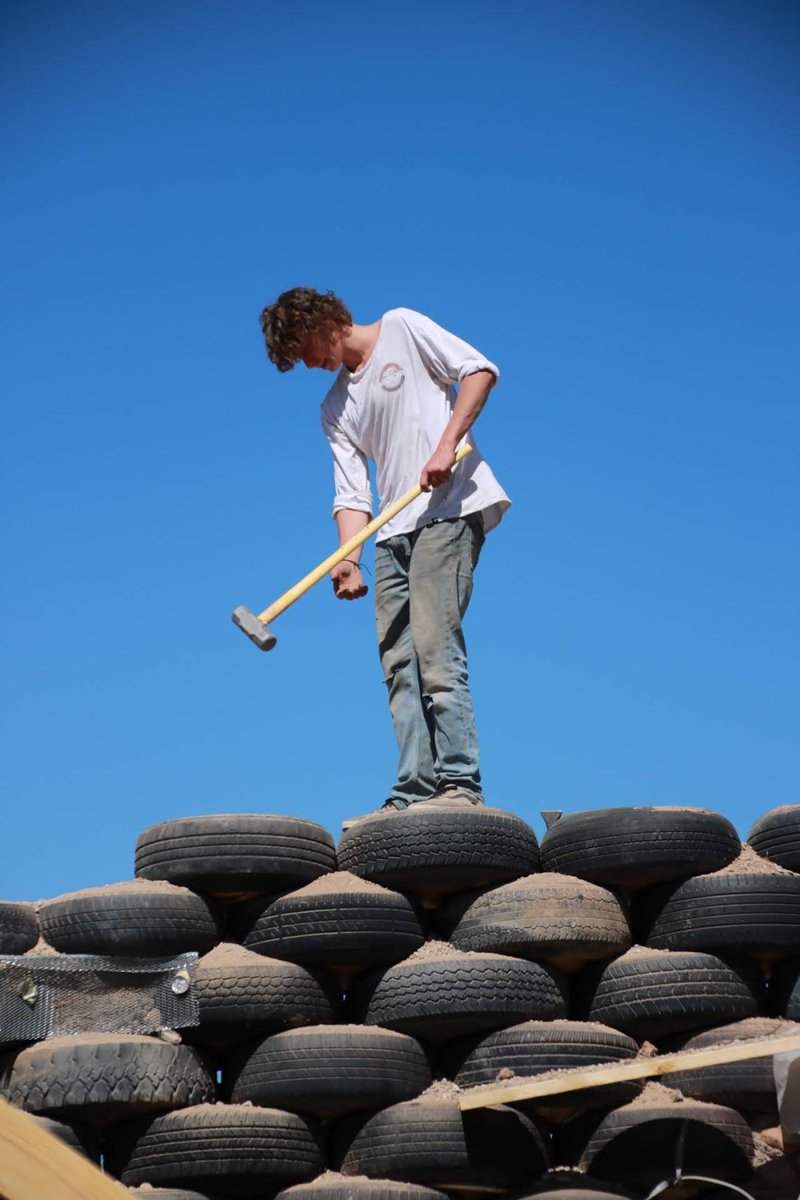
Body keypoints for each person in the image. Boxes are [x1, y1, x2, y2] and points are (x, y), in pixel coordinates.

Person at [259, 288, 510, 819]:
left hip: (448, 509)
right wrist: (347, 560)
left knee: (435, 645)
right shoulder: (334, 407)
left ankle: (460, 782)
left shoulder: (402, 327)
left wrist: (445, 446)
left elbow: (479, 371)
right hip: (390, 534)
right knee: (399, 661)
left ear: (325, 320)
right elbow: (352, 493)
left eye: (304, 347)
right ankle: (414, 786)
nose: (307, 363)